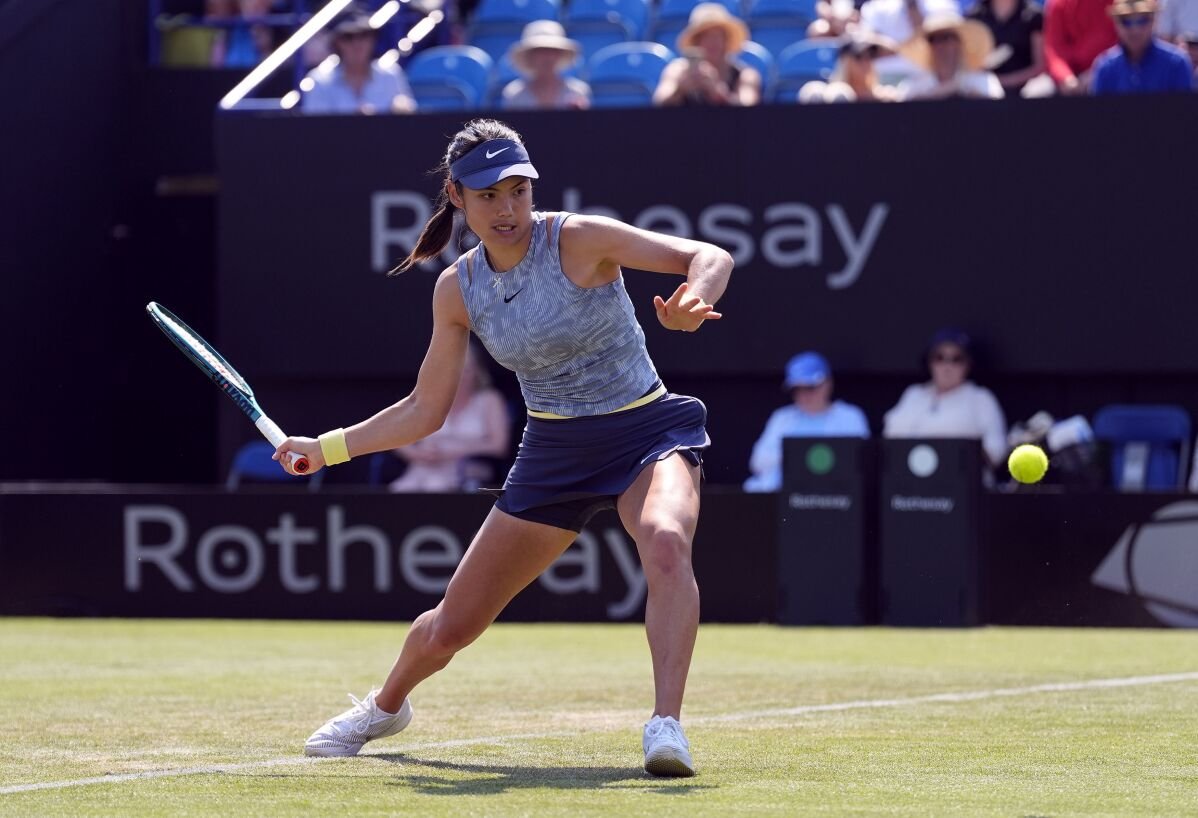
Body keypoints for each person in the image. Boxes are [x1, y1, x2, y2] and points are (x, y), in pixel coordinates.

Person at [274, 119, 733, 777]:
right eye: (489, 195)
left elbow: (709, 256)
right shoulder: (456, 289)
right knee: (450, 631)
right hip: (554, 450)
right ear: (458, 198)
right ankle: (385, 706)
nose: (508, 209)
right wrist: (325, 449)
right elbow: (423, 411)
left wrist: (695, 296)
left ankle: (666, 726)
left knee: (665, 540)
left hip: (645, 429)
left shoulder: (577, 238)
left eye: (518, 191)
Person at [388, 342, 511, 492]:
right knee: (401, 489)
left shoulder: (489, 400)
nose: (460, 378)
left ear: (477, 372)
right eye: (454, 371)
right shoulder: (428, 400)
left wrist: (452, 451)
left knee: (436, 486)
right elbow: (397, 439)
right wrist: (418, 454)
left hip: (468, 468)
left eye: (466, 371)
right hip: (424, 467)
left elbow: (499, 445)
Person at [882, 328, 1008, 470]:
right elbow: (889, 439)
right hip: (909, 481)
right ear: (929, 362)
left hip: (962, 482)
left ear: (968, 364)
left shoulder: (981, 398)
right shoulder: (913, 394)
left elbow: (996, 451)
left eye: (956, 359)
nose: (947, 366)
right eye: (939, 358)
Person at [743, 352, 870, 492]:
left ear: (828, 383)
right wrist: (798, 457)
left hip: (835, 498)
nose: (804, 395)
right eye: (798, 389)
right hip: (785, 497)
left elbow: (861, 463)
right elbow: (758, 462)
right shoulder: (782, 418)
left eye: (810, 387)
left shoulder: (849, 417)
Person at [301, 9, 416, 115]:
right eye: (348, 37)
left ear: (373, 40)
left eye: (364, 35)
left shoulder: (391, 74)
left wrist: (404, 111)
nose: (357, 44)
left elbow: (408, 115)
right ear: (336, 43)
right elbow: (316, 131)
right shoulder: (319, 80)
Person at [653, 3, 762, 106]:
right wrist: (680, 89)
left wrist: (718, 92)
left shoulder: (745, 74)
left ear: (726, 41)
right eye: (706, 37)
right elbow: (659, 102)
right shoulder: (677, 70)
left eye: (717, 37)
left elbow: (748, 110)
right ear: (696, 42)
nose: (712, 43)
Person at [1091, 0, 1195, 92]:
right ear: (1116, 23)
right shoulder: (1105, 68)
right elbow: (1100, 113)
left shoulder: (1176, 64)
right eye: (1126, 21)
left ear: (1154, 21)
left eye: (1143, 20)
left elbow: (1186, 112)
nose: (1135, 30)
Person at [899, 12, 1007, 98]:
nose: (940, 45)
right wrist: (939, 93)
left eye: (946, 37)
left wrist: (965, 91)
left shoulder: (983, 81)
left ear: (959, 43)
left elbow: (999, 110)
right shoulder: (916, 86)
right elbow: (902, 108)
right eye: (933, 39)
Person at [501, 21, 592, 110]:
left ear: (559, 54)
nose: (547, 57)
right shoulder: (514, 95)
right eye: (540, 51)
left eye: (552, 50)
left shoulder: (578, 92)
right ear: (530, 56)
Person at [967, 0, 1048, 94]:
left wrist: (1008, 81)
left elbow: (1040, 66)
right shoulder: (975, 15)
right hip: (987, 84)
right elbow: (971, 64)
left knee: (1039, 91)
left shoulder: (1034, 15)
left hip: (1028, 83)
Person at [798, 31, 902, 102]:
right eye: (859, 57)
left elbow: (896, 50)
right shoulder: (833, 97)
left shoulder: (884, 97)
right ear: (846, 61)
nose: (866, 62)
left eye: (870, 56)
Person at [1043, 0, 1117, 94]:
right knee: (1037, 93)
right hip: (1072, 77)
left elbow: (1122, 44)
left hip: (1109, 72)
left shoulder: (1114, 3)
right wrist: (1065, 77)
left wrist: (1097, 72)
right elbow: (1054, 50)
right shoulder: (1058, 3)